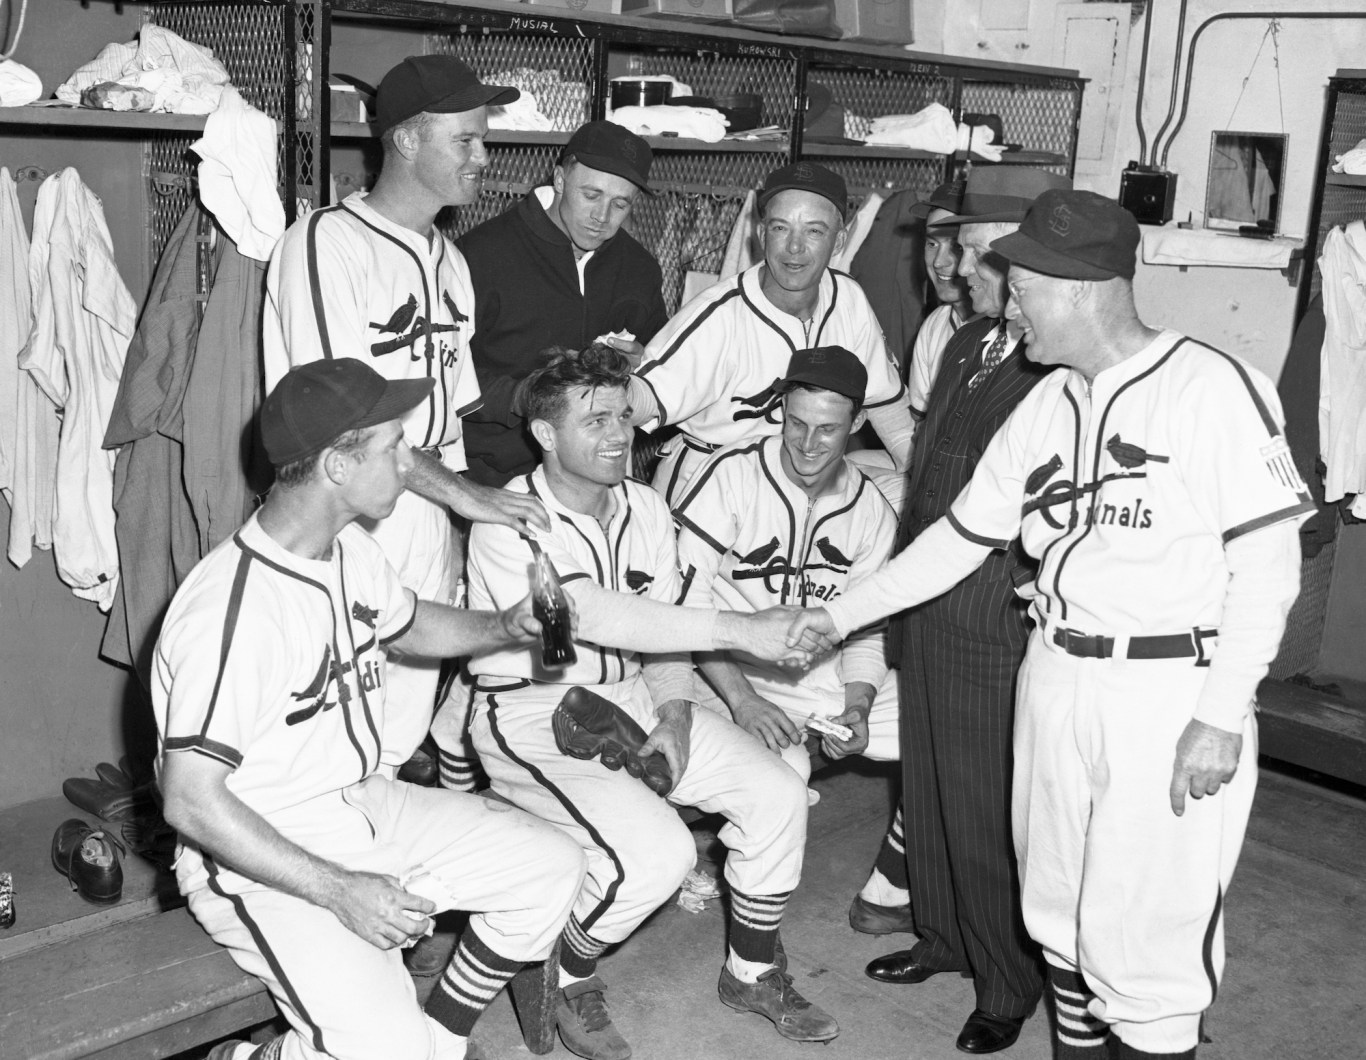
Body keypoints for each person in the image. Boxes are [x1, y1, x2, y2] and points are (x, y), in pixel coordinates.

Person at [788, 189, 1311, 1060]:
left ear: (1078, 289)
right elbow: (958, 538)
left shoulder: (1212, 386)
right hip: (1056, 671)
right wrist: (833, 616)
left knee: (1147, 938)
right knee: (1059, 907)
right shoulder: (1053, 399)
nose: (1003, 291)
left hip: (1167, 692)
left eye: (1020, 280)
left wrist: (1220, 716)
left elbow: (1268, 566)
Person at [156, 359, 587, 1060]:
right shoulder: (233, 612)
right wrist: (340, 890)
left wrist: (502, 628)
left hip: (361, 800)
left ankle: (436, 1042)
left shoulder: (345, 548)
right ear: (336, 465)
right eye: (393, 446)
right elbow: (191, 801)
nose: (410, 461)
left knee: (551, 866)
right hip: (257, 851)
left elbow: (409, 624)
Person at [464, 344, 839, 1060]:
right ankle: (565, 969)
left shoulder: (645, 503)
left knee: (777, 790)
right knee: (657, 856)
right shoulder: (506, 521)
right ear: (544, 433)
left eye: (625, 416)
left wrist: (673, 715)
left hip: (633, 695)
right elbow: (593, 616)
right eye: (595, 418)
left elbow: (662, 629)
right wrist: (737, 630)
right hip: (530, 713)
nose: (619, 433)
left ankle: (753, 972)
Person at [263, 55, 547, 791]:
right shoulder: (327, 243)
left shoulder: (451, 261)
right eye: (467, 140)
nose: (485, 158)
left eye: (484, 139)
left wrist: (466, 509)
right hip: (347, 514)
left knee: (397, 728)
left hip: (423, 512)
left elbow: (449, 417)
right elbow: (348, 426)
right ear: (408, 141)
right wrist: (463, 495)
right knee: (326, 722)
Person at [860, 167, 1071, 1055]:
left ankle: (1007, 978)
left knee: (986, 802)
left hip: (989, 611)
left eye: (984, 259)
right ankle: (943, 937)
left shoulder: (1050, 368)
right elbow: (926, 473)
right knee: (932, 783)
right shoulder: (964, 342)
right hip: (928, 595)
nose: (961, 270)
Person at [671, 345, 908, 917]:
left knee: (937, 726)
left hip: (816, 681)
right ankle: (695, 870)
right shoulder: (730, 475)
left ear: (856, 424)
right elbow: (682, 608)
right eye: (796, 423)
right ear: (781, 411)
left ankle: (897, 883)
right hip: (722, 670)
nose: (807, 444)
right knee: (784, 773)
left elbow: (869, 632)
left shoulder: (870, 511)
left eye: (828, 429)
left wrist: (858, 705)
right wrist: (743, 699)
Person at [630, 161, 915, 505]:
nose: (794, 247)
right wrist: (604, 387)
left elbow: (889, 409)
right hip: (712, 480)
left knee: (913, 497)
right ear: (762, 234)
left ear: (839, 241)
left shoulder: (849, 299)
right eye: (781, 228)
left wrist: (920, 475)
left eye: (813, 231)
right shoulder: (720, 315)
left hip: (799, 478)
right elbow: (643, 397)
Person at [456, 120, 668, 488]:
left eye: (620, 204)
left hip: (595, 480)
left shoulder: (640, 269)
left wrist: (641, 363)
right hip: (491, 478)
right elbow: (448, 372)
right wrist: (523, 396)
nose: (602, 218)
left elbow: (662, 372)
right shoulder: (480, 255)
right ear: (559, 180)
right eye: (590, 195)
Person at [906, 178, 971, 424]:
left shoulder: (1014, 332)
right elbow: (918, 427)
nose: (938, 262)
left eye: (956, 246)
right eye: (932, 243)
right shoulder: (935, 325)